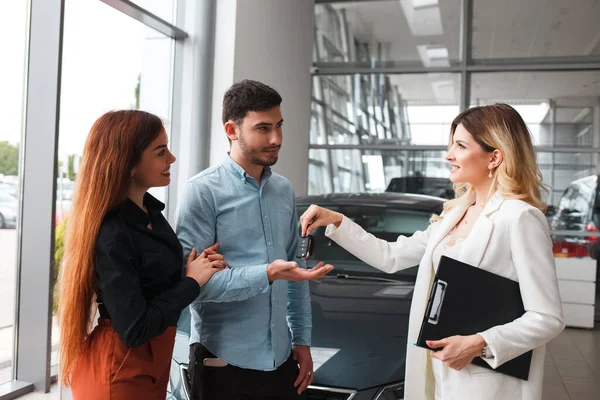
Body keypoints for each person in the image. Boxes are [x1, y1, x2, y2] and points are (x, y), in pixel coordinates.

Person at [300, 103, 565, 400]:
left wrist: (480, 343)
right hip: (441, 377)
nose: (449, 155)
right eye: (451, 145)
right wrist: (337, 220)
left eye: (460, 146)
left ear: (495, 157)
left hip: (487, 383)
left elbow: (547, 317)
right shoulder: (453, 215)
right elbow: (391, 256)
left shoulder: (520, 218)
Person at [175, 80, 334, 400]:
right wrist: (266, 273)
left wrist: (301, 341)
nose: (276, 138)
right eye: (263, 128)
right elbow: (195, 287)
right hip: (223, 363)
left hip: (281, 362)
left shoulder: (284, 191)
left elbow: (296, 274)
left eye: (278, 126)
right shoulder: (202, 192)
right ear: (231, 130)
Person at [58, 110, 226, 399]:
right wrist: (191, 282)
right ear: (129, 163)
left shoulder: (150, 213)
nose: (171, 158)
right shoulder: (112, 233)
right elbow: (135, 328)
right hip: (119, 371)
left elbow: (150, 279)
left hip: (148, 363)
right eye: (161, 152)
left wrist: (190, 269)